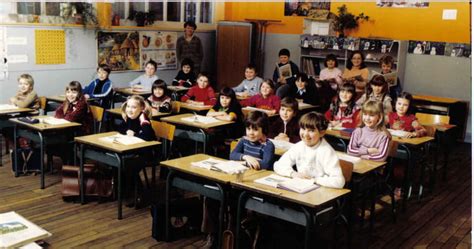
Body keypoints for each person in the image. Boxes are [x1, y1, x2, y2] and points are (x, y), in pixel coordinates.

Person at [274, 112, 345, 189]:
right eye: (303, 129)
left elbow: (339, 181)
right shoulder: (299, 146)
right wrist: (293, 174)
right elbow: (278, 165)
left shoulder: (327, 151)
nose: (305, 134)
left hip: (320, 190)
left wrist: (314, 180)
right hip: (302, 187)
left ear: (322, 133)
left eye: (311, 130)